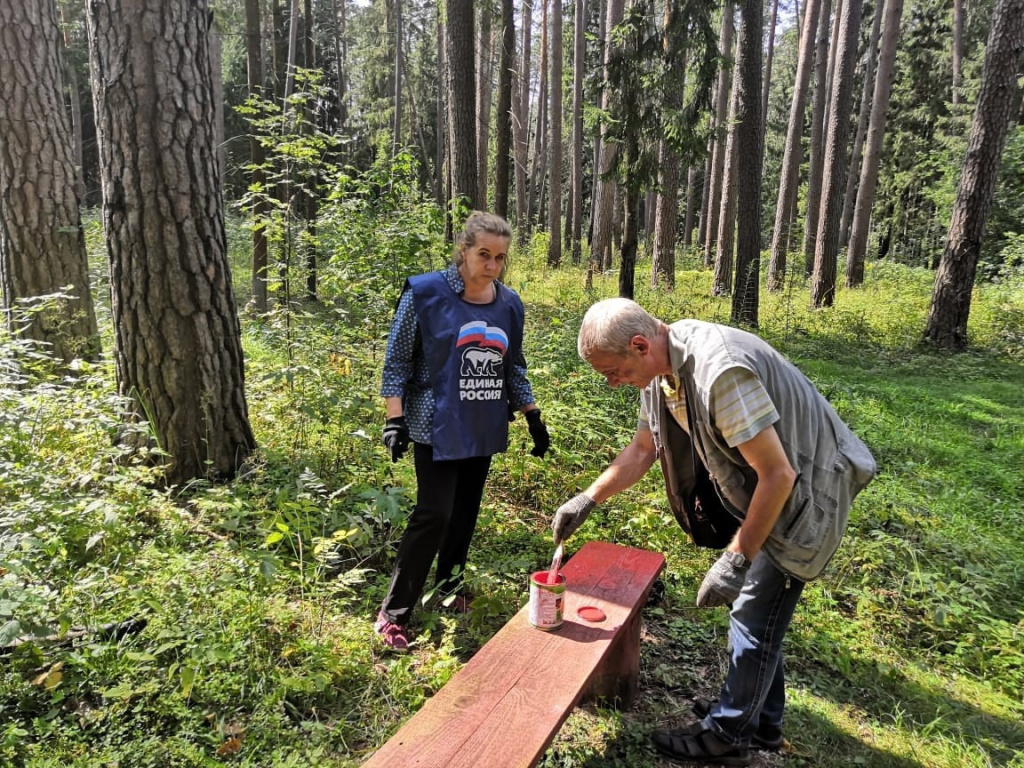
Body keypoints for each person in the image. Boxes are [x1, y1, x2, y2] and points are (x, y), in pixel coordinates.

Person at [551, 298, 875, 766]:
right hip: (774, 486)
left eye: (612, 370)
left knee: (754, 615)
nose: (611, 382)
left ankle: (727, 735)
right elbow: (643, 450)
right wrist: (588, 498)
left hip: (805, 490)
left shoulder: (719, 372)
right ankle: (761, 720)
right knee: (757, 614)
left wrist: (736, 558)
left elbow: (779, 475)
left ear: (640, 345)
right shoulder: (662, 369)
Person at [375, 211, 550, 651]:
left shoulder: (509, 303)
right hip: (435, 423)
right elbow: (396, 361)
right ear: (464, 250)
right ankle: (394, 612)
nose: (491, 264)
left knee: (465, 511)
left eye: (500, 257)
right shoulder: (425, 294)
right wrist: (394, 419)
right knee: (434, 513)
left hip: (483, 420)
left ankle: (450, 587)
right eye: (483, 254)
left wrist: (531, 414)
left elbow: (514, 366)